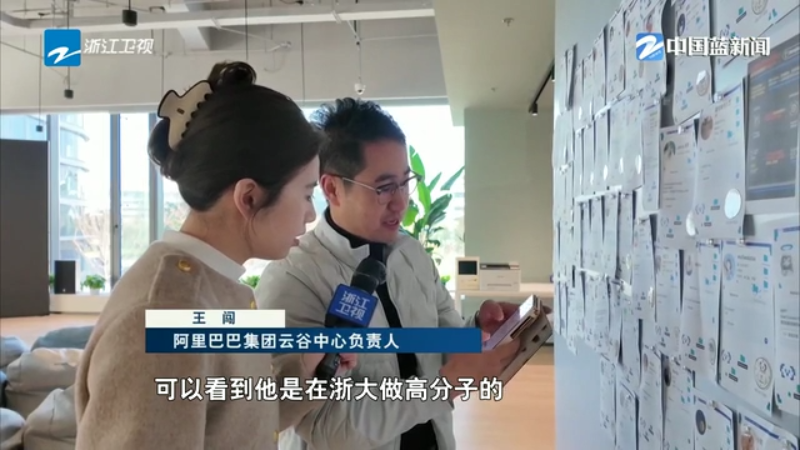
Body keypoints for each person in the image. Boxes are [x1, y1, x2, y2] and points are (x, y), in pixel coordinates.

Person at [73, 61, 356, 449]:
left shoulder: (213, 287)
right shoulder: (164, 315)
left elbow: (234, 425)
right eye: (307, 194)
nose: (311, 214)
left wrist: (305, 374)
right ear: (248, 197)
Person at [256, 98, 522, 450]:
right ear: (332, 188)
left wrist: (478, 333)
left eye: (405, 182)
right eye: (383, 188)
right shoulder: (292, 279)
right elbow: (329, 426)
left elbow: (440, 346)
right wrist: (445, 386)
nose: (401, 202)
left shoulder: (411, 253)